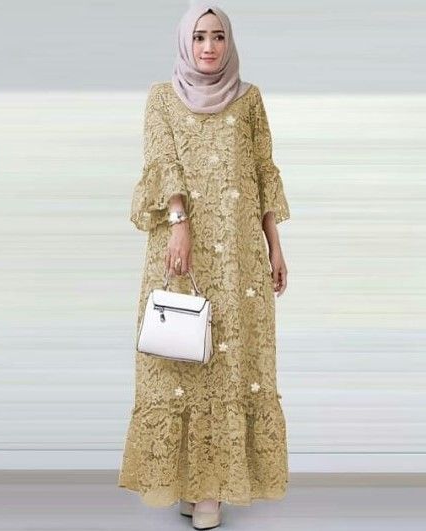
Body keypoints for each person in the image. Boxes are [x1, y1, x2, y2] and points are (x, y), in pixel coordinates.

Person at [118, 3, 290, 528]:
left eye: (217, 36)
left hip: (239, 256)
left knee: (230, 361)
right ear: (184, 42)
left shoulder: (249, 99)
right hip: (183, 251)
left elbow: (262, 172)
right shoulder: (162, 98)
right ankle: (188, 480)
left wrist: (275, 245)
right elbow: (162, 161)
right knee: (180, 359)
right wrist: (179, 221)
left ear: (229, 41)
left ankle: (211, 488)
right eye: (199, 37)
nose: (209, 47)